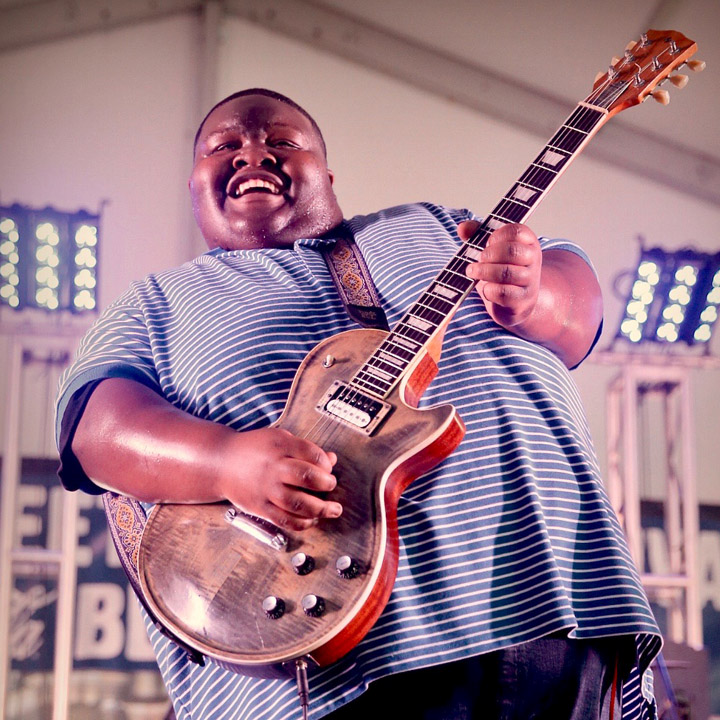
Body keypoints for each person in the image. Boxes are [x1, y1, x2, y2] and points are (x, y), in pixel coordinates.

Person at [56, 88, 661, 720]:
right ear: (192, 185)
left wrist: (537, 295)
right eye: (225, 146)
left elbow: (579, 308)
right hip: (328, 655)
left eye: (282, 142)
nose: (252, 153)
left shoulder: (435, 223)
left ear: (327, 173)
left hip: (561, 612)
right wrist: (227, 461)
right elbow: (94, 428)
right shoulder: (157, 300)